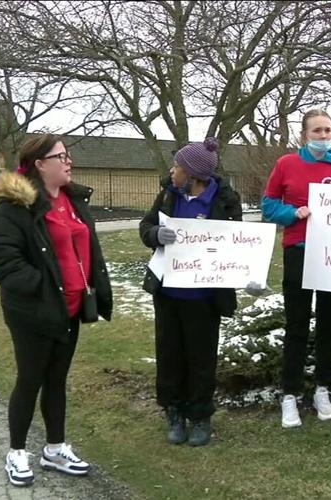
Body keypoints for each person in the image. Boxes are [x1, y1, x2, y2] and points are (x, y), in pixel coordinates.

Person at [0, 134, 113, 486]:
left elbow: (87, 249)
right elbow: (4, 263)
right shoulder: (17, 207)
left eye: (68, 154)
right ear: (40, 164)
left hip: (69, 310)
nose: (68, 161)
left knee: (56, 381)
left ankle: (54, 449)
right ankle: (16, 452)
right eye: (61, 156)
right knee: (30, 380)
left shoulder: (73, 200)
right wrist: (44, 291)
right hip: (33, 313)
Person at [139, 137, 243, 447]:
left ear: (193, 173)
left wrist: (245, 271)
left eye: (177, 166)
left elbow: (237, 243)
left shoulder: (225, 201)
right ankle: (174, 411)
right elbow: (145, 227)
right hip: (169, 294)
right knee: (169, 356)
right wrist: (155, 234)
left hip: (205, 299)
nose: (172, 171)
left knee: (201, 359)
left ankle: (200, 416)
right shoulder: (169, 195)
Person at [262, 109, 331, 428]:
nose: (324, 136)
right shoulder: (286, 164)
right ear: (304, 135)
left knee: (330, 323)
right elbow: (268, 205)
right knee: (297, 324)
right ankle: (290, 394)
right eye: (317, 131)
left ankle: (322, 389)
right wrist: (292, 213)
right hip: (299, 251)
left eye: (328, 131)